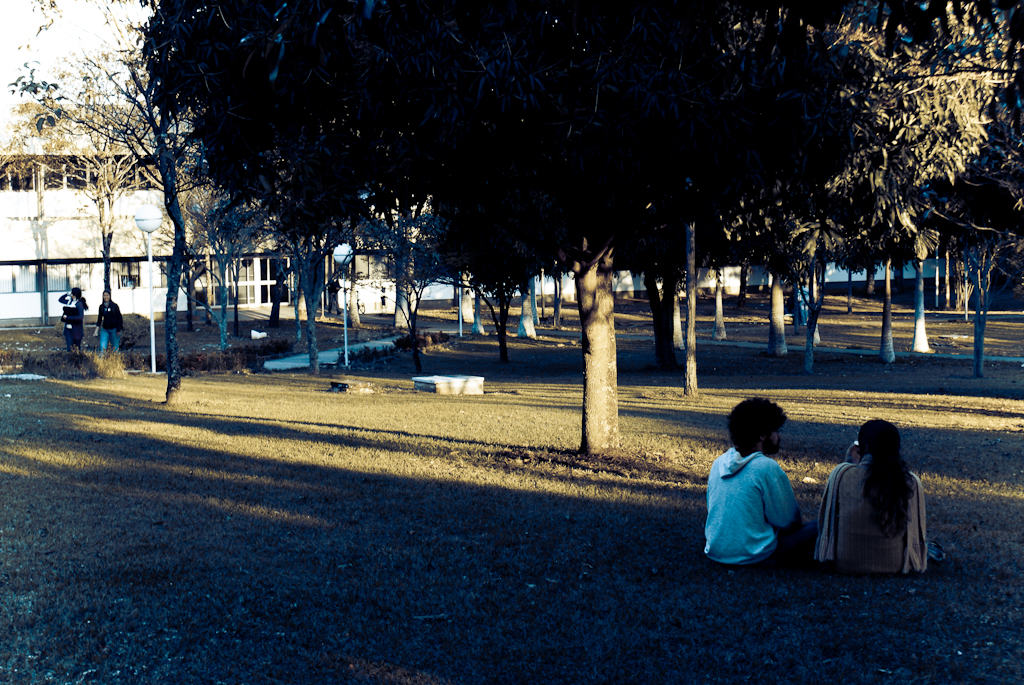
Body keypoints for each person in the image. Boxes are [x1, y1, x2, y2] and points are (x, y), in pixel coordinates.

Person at [705, 398, 817, 566]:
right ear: (762, 435)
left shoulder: (718, 463)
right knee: (823, 525)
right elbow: (789, 522)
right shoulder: (765, 467)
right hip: (756, 556)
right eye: (777, 430)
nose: (779, 436)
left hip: (715, 552)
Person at [815, 419, 928, 574]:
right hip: (894, 566)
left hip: (845, 564)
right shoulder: (910, 482)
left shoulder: (841, 475)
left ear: (863, 448)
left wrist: (849, 463)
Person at [58, 287, 88, 352]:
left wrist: (68, 318)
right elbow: (60, 299)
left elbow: (80, 317)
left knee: (76, 348)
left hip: (76, 329)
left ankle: (77, 361)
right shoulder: (70, 302)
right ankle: (71, 361)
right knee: (69, 348)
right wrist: (66, 294)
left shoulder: (79, 304)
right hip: (68, 329)